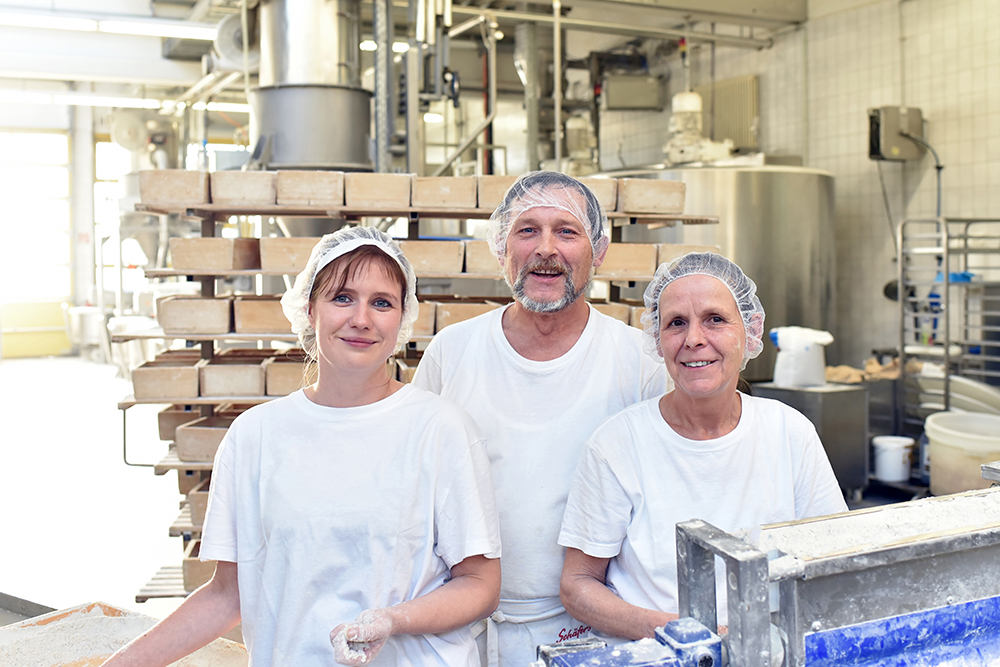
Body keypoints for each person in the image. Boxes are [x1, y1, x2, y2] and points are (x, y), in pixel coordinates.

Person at [102, 227, 501, 667]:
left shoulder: (441, 430)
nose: (362, 318)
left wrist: (394, 619)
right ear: (310, 309)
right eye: (342, 298)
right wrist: (120, 664)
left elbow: (480, 584)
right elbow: (227, 593)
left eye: (382, 302)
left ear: (403, 318)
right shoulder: (255, 436)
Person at [412, 171, 668, 667]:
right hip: (460, 628)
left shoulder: (638, 361)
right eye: (527, 230)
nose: (546, 248)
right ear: (501, 245)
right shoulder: (453, 352)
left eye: (566, 232)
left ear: (597, 250)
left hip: (593, 633)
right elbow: (412, 491)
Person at [558, 251, 847, 643]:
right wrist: (679, 632)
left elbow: (835, 560)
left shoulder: (788, 432)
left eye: (715, 319)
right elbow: (578, 585)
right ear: (658, 342)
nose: (694, 339)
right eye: (676, 323)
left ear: (749, 331)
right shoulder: (618, 444)